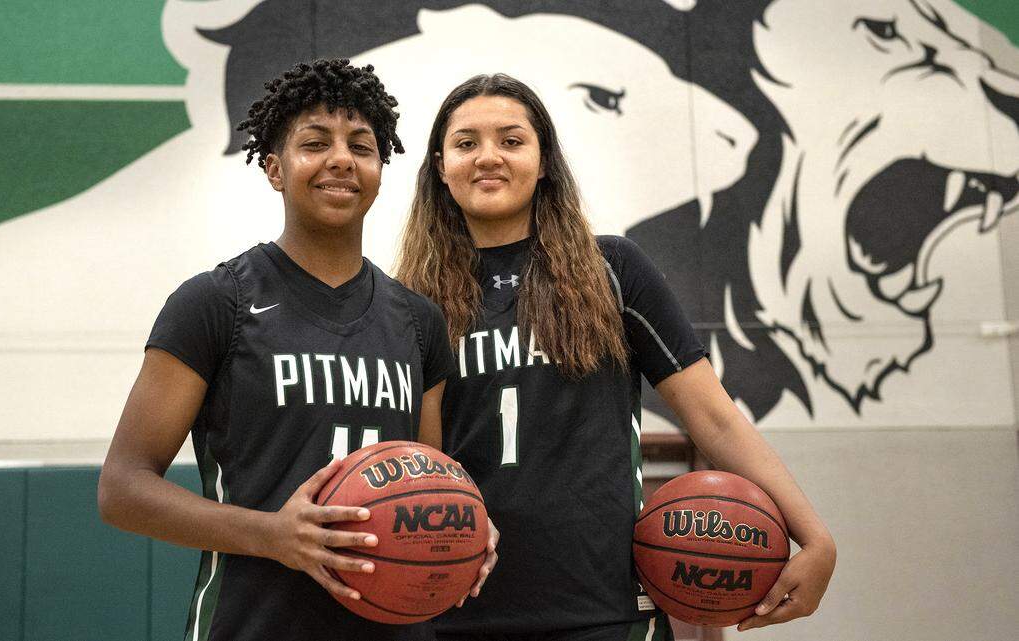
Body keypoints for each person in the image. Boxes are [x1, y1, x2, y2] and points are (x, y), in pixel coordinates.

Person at [396, 73, 836, 640]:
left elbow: (714, 418)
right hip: (459, 613)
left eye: (511, 140)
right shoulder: (409, 302)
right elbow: (416, 461)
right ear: (439, 166)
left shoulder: (612, 270)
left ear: (545, 160)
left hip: (608, 610)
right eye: (466, 143)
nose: (488, 158)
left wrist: (815, 537)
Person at [98, 59, 493, 641]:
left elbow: (432, 476)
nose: (341, 159)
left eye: (362, 146)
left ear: (380, 169)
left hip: (395, 627)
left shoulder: (418, 321)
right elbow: (123, 489)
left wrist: (466, 526)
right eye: (315, 143)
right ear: (274, 168)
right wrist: (272, 535)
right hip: (254, 622)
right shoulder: (215, 303)